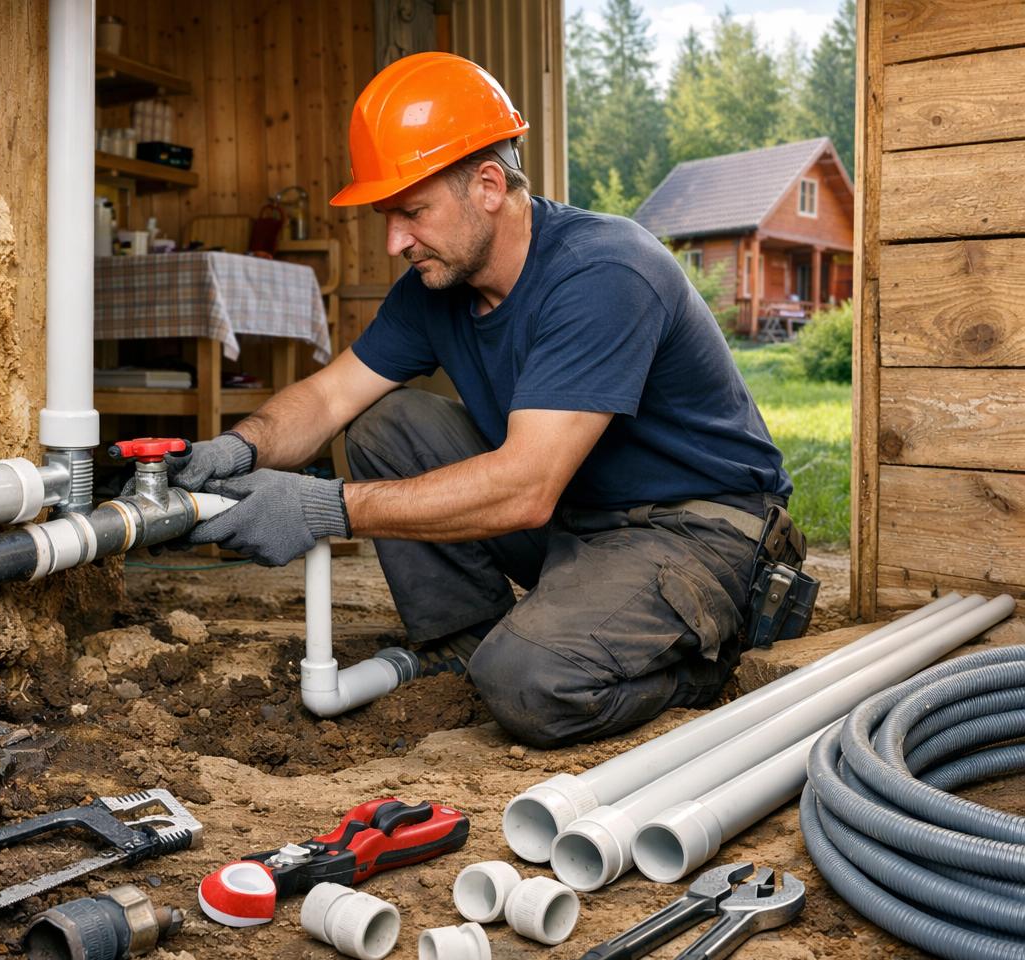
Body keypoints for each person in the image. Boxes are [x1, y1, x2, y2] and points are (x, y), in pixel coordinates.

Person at [178, 52, 801, 749]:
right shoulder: (434, 286)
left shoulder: (603, 270)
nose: (394, 242)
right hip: (584, 518)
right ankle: (464, 642)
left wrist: (324, 508)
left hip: (698, 533)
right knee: (387, 422)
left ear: (487, 185)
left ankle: (703, 659)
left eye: (412, 212)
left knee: (530, 682)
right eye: (388, 217)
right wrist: (238, 447)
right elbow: (329, 398)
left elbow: (526, 489)